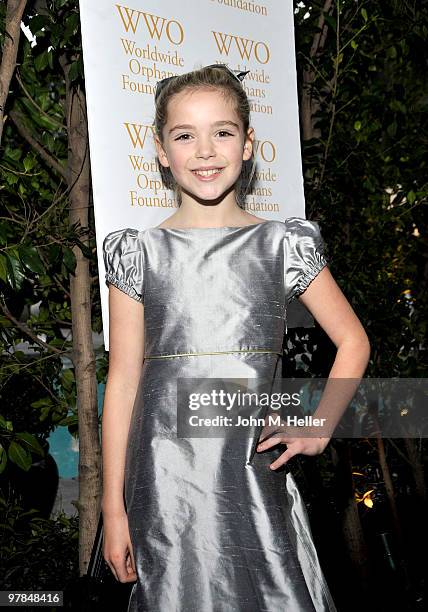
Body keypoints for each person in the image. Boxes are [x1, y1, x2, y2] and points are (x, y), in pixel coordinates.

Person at [100, 64, 370, 611]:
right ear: (160, 150)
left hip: (251, 476)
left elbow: (353, 340)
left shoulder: (282, 245)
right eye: (184, 135)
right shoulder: (138, 254)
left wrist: (319, 427)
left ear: (248, 146)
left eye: (222, 132)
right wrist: (113, 509)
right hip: (163, 485)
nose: (204, 151)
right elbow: (124, 383)